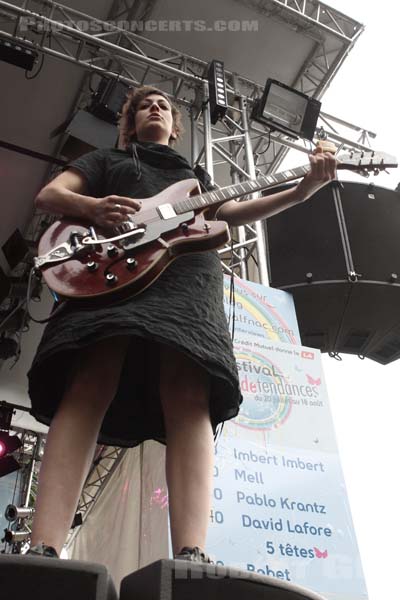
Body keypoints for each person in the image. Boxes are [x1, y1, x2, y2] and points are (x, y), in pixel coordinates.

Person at [27, 86, 337, 562]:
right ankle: (43, 547)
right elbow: (51, 195)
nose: (156, 108)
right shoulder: (107, 160)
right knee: (91, 377)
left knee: (190, 389)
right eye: (144, 105)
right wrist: (92, 208)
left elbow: (228, 213)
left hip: (186, 277)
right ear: (128, 123)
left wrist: (302, 189)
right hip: (110, 264)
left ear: (176, 127)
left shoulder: (194, 177)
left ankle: (192, 553)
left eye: (165, 106)